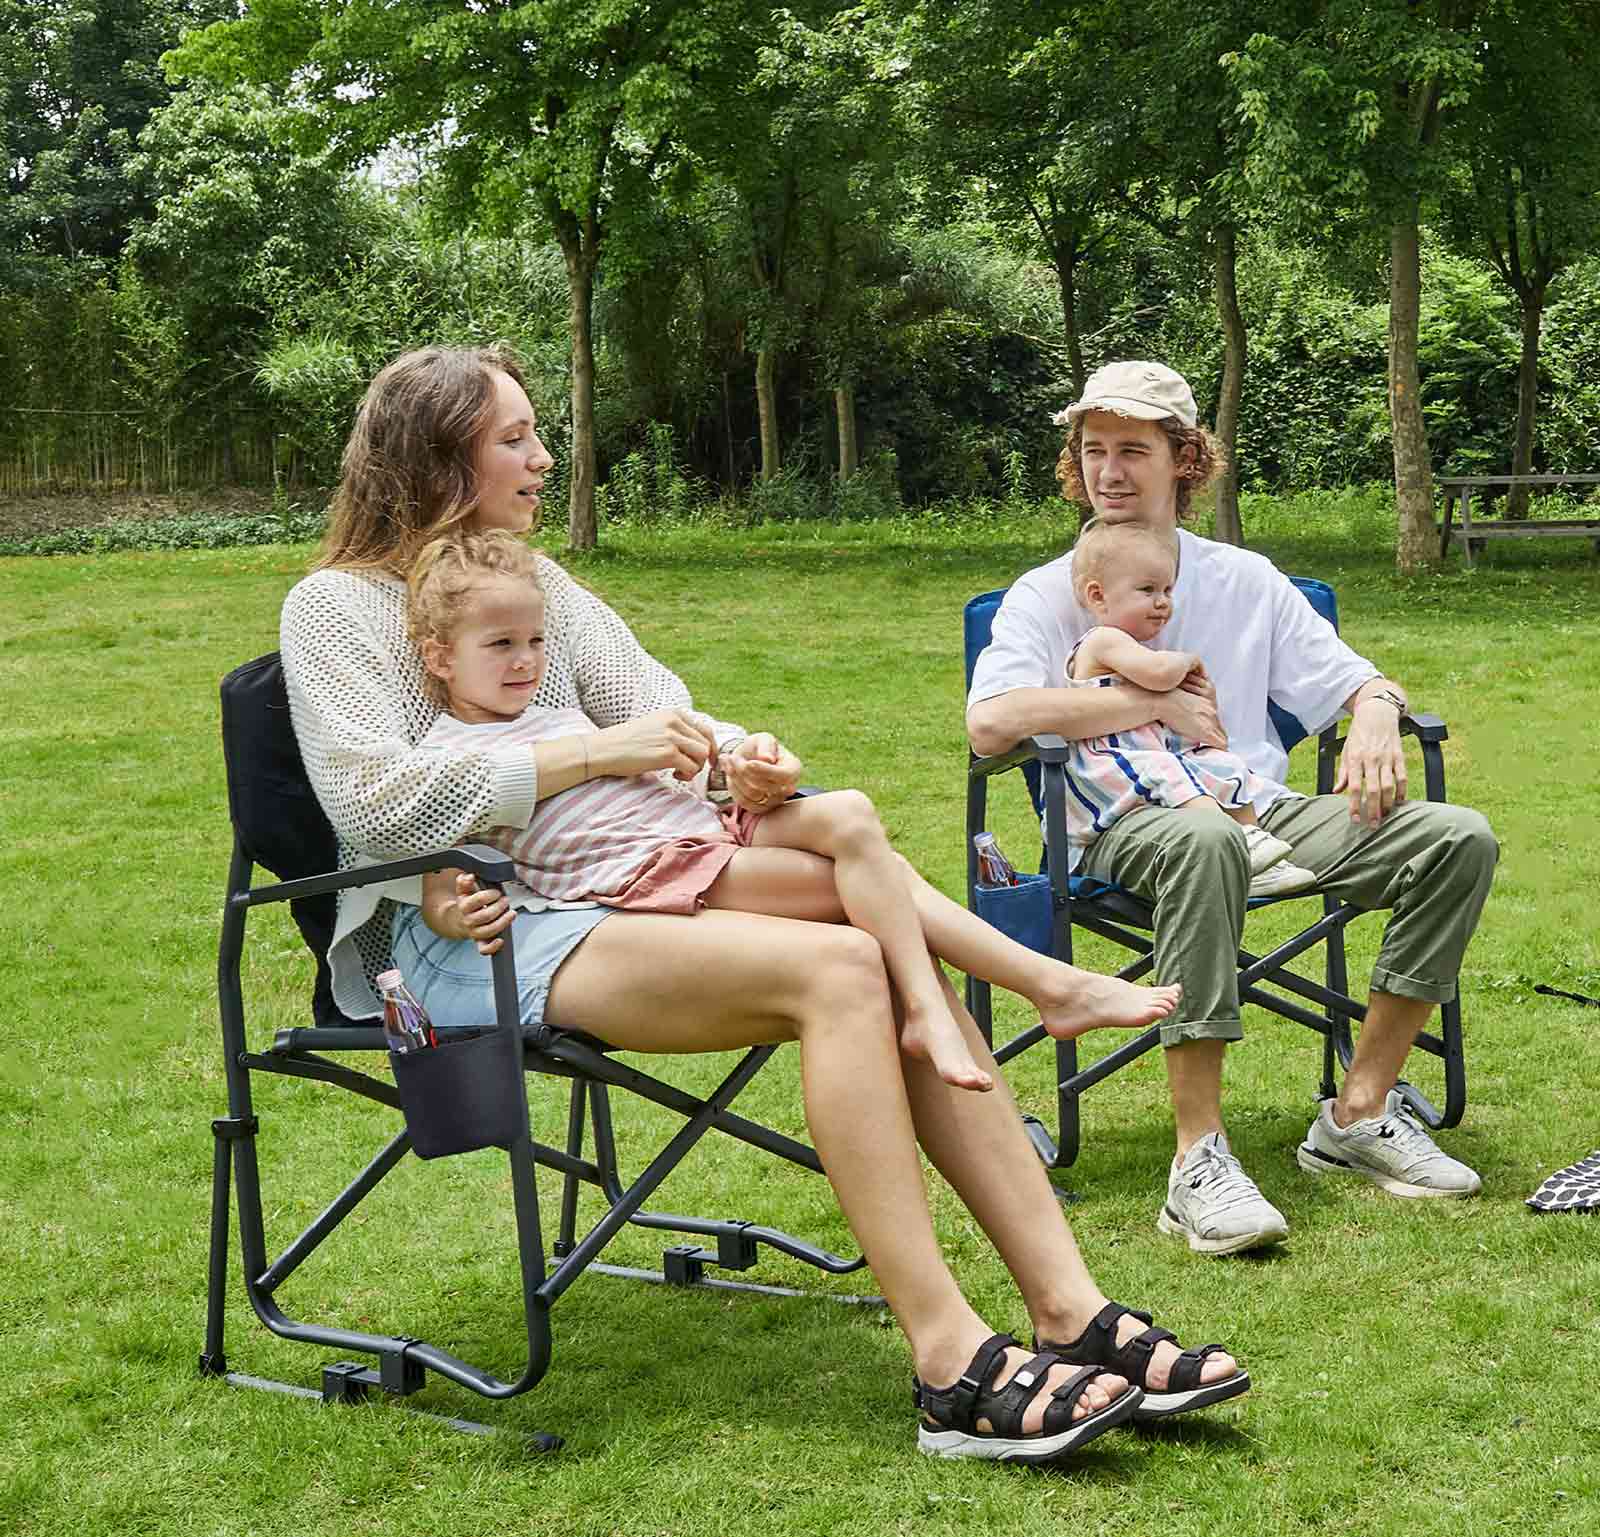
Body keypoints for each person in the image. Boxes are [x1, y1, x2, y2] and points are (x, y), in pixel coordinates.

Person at [280, 343, 1250, 1463]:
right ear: (437, 456)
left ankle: (1068, 1308)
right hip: (468, 932)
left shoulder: (539, 585)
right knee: (843, 961)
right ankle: (948, 1362)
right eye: (515, 438)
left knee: (864, 907)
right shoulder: (335, 608)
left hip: (603, 876)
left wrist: (739, 761)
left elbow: (664, 717)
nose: (545, 456)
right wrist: (590, 758)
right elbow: (375, 804)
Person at [967, 359, 1498, 1257]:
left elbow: (1354, 678)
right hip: (1128, 827)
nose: (1109, 471)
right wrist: (1151, 704)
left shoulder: (1246, 580)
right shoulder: (1053, 592)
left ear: (1185, 458)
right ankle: (1197, 1161)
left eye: (1133, 449)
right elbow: (992, 725)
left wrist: (1374, 714)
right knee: (1206, 840)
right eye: (1092, 450)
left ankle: (1360, 1110)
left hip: (1258, 805)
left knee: (1455, 839)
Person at [407, 526, 1182, 1094]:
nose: (525, 660)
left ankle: (1021, 993)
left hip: (702, 829)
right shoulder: (453, 759)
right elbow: (441, 887)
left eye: (536, 640)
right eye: (500, 643)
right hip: (654, 876)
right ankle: (1016, 992)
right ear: (440, 656)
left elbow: (678, 763)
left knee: (849, 814)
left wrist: (738, 764)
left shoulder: (558, 713)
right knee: (855, 885)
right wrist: (457, 916)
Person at [1061, 517, 1317, 899]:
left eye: (1167, 589)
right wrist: (1187, 660)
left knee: (1226, 765)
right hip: (1110, 769)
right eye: (1147, 590)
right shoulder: (1102, 641)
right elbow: (1159, 675)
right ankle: (1237, 845)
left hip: (1147, 763)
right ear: (1097, 596)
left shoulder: (1133, 646)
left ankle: (1258, 849)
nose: (1163, 601)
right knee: (1168, 768)